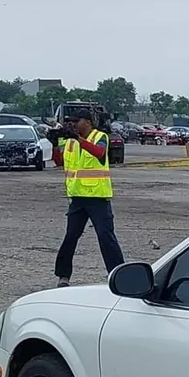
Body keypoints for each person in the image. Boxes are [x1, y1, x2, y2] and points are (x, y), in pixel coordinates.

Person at [53, 114, 124, 286]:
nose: (73, 124)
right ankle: (63, 275)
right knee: (71, 236)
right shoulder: (70, 142)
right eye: (71, 122)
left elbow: (99, 153)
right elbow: (59, 161)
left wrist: (78, 139)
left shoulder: (100, 137)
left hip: (97, 197)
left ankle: (119, 276)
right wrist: (54, 143)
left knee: (105, 236)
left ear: (88, 122)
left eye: (76, 121)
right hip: (78, 196)